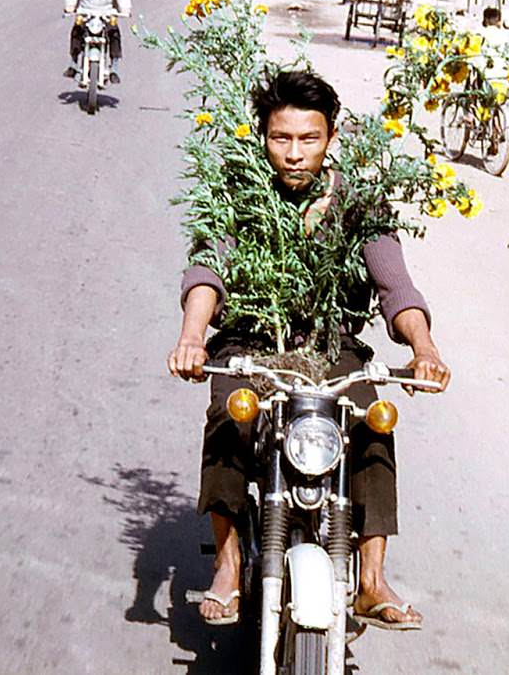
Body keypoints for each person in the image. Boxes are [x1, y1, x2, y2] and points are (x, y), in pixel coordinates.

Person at [168, 69, 450, 631]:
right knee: (228, 417)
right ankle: (228, 565)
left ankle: (371, 581)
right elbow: (207, 270)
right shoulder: (240, 195)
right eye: (281, 138)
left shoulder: (357, 202)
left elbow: (395, 285)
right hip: (251, 341)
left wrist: (424, 347)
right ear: (263, 137)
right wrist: (193, 336)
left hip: (329, 345)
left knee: (372, 419)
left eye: (308, 139)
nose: (294, 154)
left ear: (331, 137)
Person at [62, 0, 132, 84]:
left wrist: (125, 9)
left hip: (106, 13)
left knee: (114, 33)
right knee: (76, 31)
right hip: (86, 12)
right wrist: (70, 6)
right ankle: (73, 64)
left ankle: (114, 68)